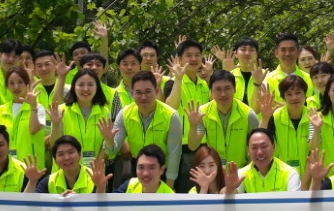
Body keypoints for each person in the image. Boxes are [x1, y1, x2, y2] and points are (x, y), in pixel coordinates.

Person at [104, 71, 183, 185]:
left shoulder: (171, 116)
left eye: (148, 92)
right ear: (132, 93)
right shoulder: (124, 114)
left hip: (163, 170)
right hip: (138, 168)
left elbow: (174, 153)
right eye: (138, 93)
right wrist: (109, 140)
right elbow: (112, 150)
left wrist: (169, 185)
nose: (143, 97)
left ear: (156, 91)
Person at [185, 70, 258, 169]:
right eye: (218, 89)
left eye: (227, 88)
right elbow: (193, 146)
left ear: (235, 89)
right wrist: (193, 126)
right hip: (214, 171)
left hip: (241, 170)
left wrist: (248, 171)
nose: (223, 94)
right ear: (211, 91)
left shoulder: (248, 114)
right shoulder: (202, 112)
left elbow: (256, 147)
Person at [166, 38, 211, 192]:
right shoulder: (172, 83)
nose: (193, 59)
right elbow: (170, 107)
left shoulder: (204, 84)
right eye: (189, 55)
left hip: (204, 146)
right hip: (183, 149)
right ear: (180, 59)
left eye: (197, 55)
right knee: (185, 193)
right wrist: (178, 78)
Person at [48, 68, 113, 169]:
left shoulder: (104, 112)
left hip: (94, 174)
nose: (86, 89)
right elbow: (54, 145)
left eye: (90, 85)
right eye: (81, 85)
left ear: (97, 88)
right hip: (64, 172)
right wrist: (56, 125)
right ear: (74, 87)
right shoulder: (62, 110)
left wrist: (98, 167)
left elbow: (107, 147)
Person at [257, 76, 312, 173]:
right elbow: (260, 140)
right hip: (281, 178)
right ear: (283, 97)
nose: (294, 97)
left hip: (309, 178)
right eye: (289, 94)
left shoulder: (314, 117)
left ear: (305, 93)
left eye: (298, 92)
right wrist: (265, 118)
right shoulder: (275, 117)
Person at [223, 129, 304, 193]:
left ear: (273, 147)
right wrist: (230, 188)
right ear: (248, 151)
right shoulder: (242, 174)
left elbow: (294, 205)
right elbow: (223, 196)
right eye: (254, 147)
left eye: (264, 146)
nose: (259, 152)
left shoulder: (290, 173)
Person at [0, 67, 47, 164]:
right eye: (11, 83)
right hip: (8, 166)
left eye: (20, 82)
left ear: (27, 84)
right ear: (7, 86)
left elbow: (33, 130)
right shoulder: (0, 110)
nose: (16, 87)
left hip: (31, 166)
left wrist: (33, 106)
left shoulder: (38, 107)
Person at [28, 135, 96, 194]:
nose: (66, 158)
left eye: (71, 152)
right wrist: (32, 182)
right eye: (61, 154)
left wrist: (77, 201)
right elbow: (28, 205)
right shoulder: (49, 181)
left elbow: (102, 206)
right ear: (55, 160)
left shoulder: (94, 178)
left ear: (80, 154)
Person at [265, 33, 315, 100]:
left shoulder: (309, 79)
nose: (287, 54)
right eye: (283, 50)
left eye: (291, 49)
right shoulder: (267, 80)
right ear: (276, 53)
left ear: (298, 52)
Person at [107, 144, 175, 193]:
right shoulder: (130, 184)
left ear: (162, 169)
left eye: (151, 168)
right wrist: (101, 187)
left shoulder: (170, 197)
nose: (145, 173)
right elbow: (111, 206)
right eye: (141, 167)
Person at [226, 37, 262, 108]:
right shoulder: (229, 75)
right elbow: (214, 99)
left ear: (257, 54)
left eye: (251, 50)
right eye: (243, 49)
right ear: (235, 53)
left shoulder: (266, 76)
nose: (247, 53)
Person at [111, 48, 141, 117]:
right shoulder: (113, 94)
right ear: (119, 67)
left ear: (140, 66)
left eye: (133, 64)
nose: (129, 67)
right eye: (125, 64)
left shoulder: (148, 91)